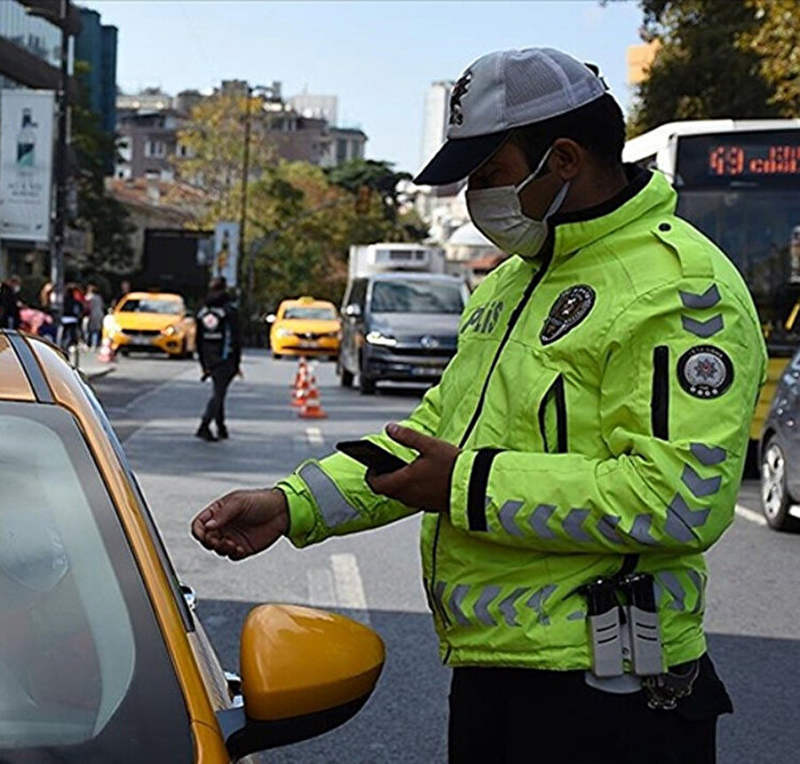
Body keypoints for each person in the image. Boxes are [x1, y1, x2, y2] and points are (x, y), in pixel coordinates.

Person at [191, 48, 767, 763]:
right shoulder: (510, 283)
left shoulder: (678, 289)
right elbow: (434, 434)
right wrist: (291, 506)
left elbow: (680, 499)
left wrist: (466, 486)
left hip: (614, 697)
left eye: (489, 175)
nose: (475, 197)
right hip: (494, 675)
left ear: (562, 159)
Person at [195, 276, 241, 442]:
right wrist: (237, 362)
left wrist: (203, 363)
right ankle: (204, 425)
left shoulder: (202, 312)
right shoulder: (229, 311)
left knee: (218, 391)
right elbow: (235, 338)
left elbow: (198, 340)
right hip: (225, 357)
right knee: (219, 394)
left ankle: (221, 426)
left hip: (208, 357)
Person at [85, 284, 105, 349]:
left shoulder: (89, 297)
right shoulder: (99, 297)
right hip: (99, 315)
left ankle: (88, 343)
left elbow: (86, 305)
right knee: (96, 330)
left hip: (91, 315)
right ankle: (94, 344)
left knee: (88, 330)